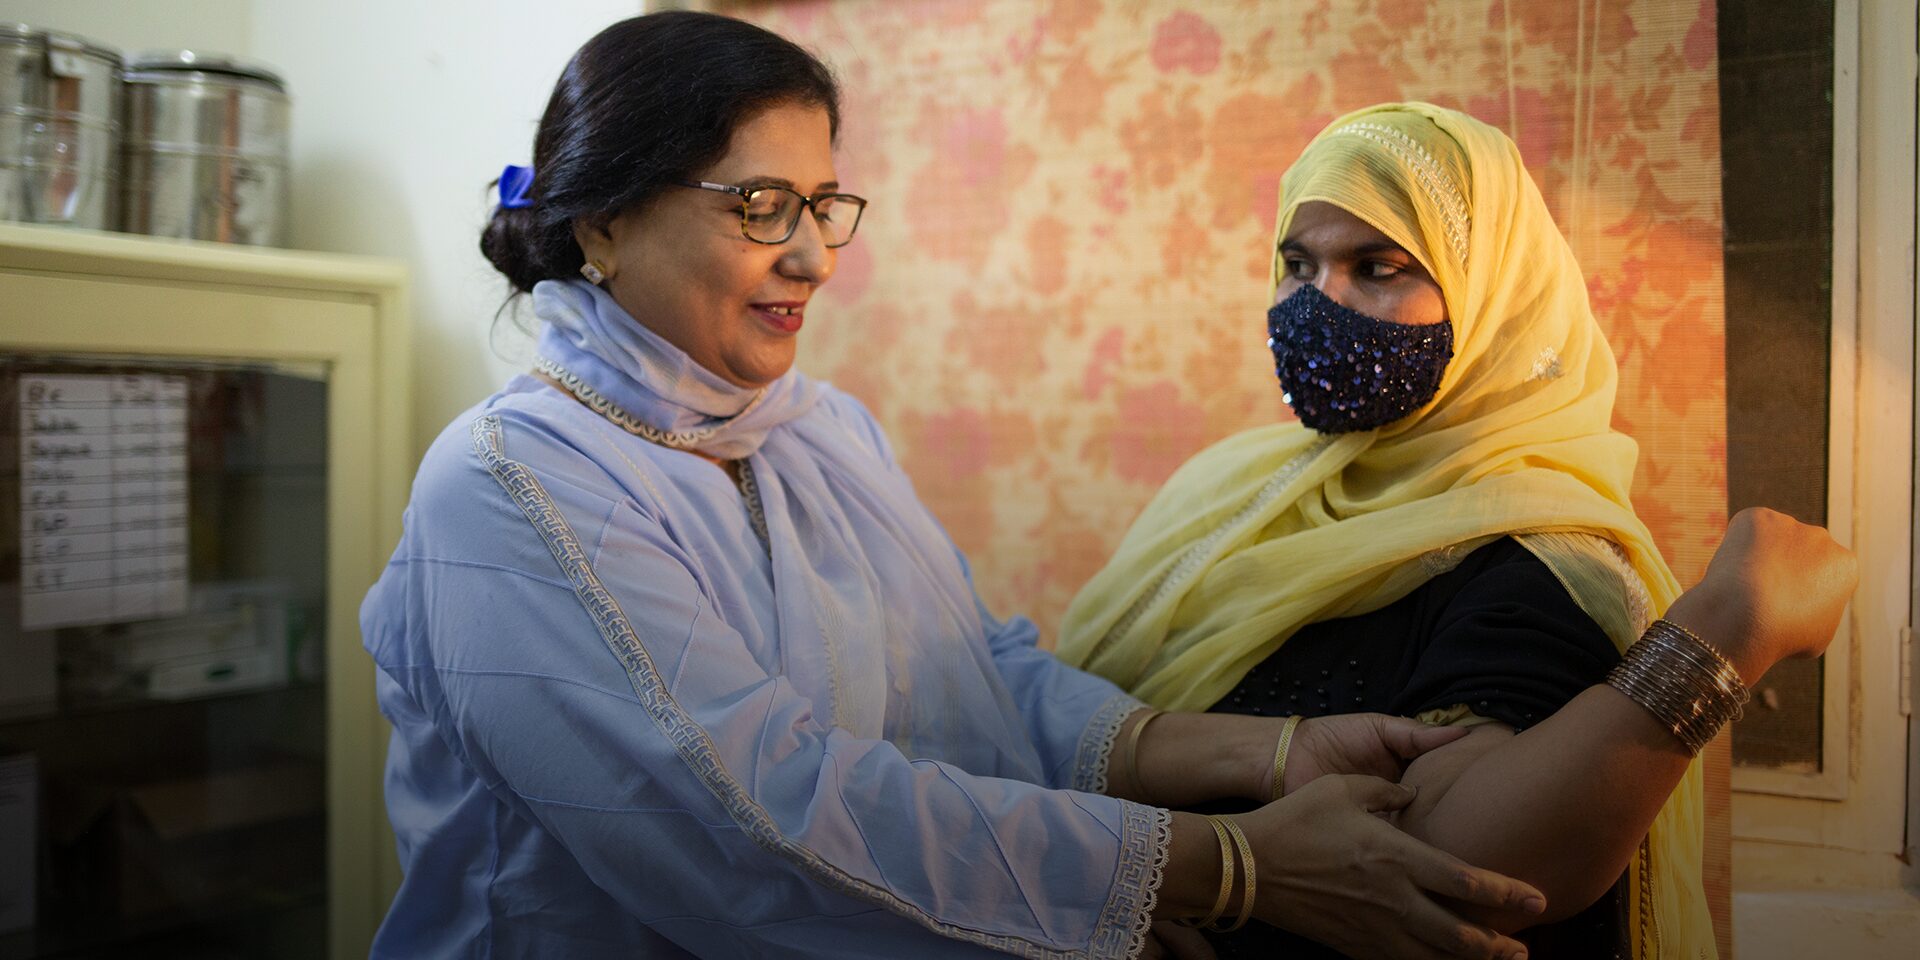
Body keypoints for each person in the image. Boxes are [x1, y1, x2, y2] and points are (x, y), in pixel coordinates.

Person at [360, 14, 1853, 960]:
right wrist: (1215, 870)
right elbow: (758, 823)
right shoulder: (512, 490)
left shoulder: (815, 434)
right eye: (762, 207)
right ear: (603, 224)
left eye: (825, 205)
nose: (814, 256)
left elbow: (980, 684)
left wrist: (1257, 760)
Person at [1056, 103, 1855, 960]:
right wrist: (1132, 882)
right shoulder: (1232, 486)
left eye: (1377, 266)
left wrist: (1726, 629)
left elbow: (1462, 868)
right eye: (1297, 263)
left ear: (1493, 298)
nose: (1317, 304)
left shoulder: (1534, 552)